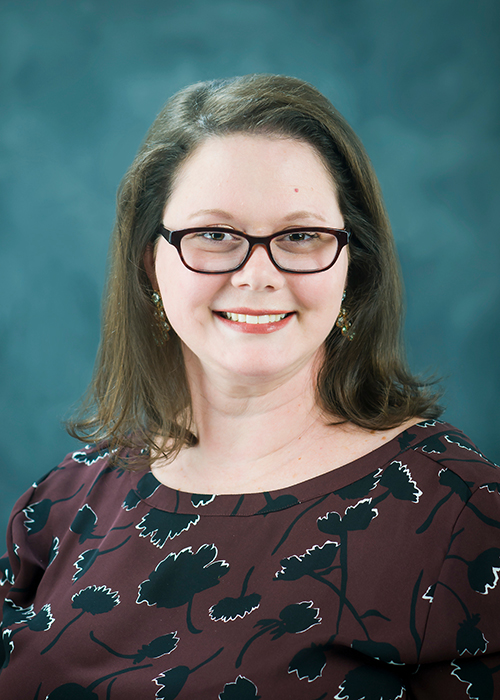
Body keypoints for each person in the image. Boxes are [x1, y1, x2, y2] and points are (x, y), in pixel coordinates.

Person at [1, 74, 499, 700]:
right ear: (148, 262)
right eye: (213, 235)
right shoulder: (63, 504)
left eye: (300, 236)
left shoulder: (462, 515)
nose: (257, 276)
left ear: (354, 264)